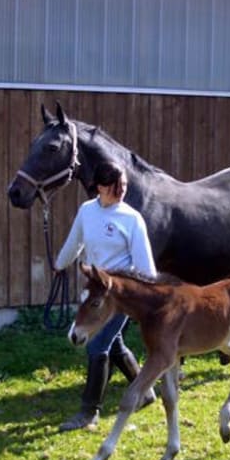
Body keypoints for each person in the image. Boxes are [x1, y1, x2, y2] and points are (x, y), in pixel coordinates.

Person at [54, 160, 157, 431]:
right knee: (114, 344)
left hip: (119, 297)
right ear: (99, 186)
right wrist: (59, 265)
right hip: (95, 291)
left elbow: (146, 268)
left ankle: (89, 412)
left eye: (124, 184)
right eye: (115, 185)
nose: (121, 190)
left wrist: (145, 298)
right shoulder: (87, 212)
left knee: (97, 345)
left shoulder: (131, 219)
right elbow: (74, 243)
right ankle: (144, 391)